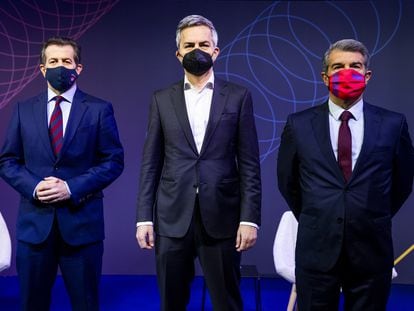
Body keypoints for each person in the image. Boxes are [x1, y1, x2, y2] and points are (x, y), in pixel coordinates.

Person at [136, 15, 261, 311]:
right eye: (189, 45)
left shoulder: (239, 97)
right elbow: (150, 162)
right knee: (172, 301)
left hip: (222, 217)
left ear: (216, 51)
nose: (197, 50)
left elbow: (250, 164)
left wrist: (249, 218)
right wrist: (144, 217)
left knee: (227, 301)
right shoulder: (161, 99)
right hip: (171, 218)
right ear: (178, 53)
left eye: (204, 44)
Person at [277, 38, 414, 310]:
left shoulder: (393, 124)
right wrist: (320, 214)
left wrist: (369, 213)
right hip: (316, 250)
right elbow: (288, 182)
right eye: (338, 66)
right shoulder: (299, 124)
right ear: (326, 77)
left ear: (367, 74)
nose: (347, 72)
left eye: (355, 66)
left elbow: (402, 182)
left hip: (371, 250)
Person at [0, 37, 124, 310]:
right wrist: (34, 187)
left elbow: (113, 160)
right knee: (32, 304)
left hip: (82, 229)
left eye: (67, 61)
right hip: (34, 229)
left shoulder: (99, 109)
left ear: (78, 68)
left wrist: (70, 187)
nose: (60, 67)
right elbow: (8, 160)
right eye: (53, 62)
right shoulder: (23, 110)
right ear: (42, 69)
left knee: (86, 304)